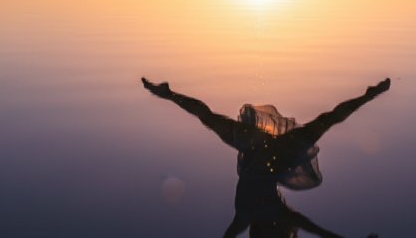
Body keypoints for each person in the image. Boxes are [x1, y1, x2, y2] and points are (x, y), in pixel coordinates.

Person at [142, 77, 390, 237]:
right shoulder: (274, 216)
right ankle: (368, 95)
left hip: (255, 147)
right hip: (276, 154)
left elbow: (317, 230)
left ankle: (168, 93)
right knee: (326, 121)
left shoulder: (244, 219)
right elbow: (318, 230)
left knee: (207, 117)